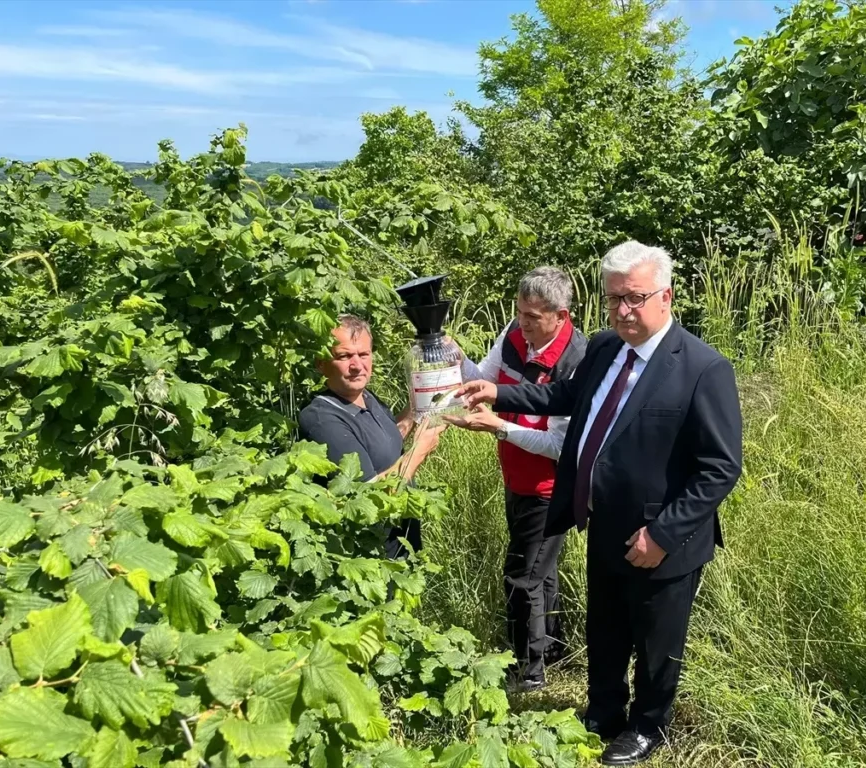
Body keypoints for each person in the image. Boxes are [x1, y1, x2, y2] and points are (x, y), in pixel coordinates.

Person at [457, 242, 742, 766]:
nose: (623, 311)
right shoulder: (607, 348)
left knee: (657, 642)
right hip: (605, 523)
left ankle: (648, 727)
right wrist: (499, 393)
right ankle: (604, 712)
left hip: (664, 539)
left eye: (635, 299)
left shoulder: (703, 368)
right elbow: (565, 398)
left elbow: (720, 467)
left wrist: (661, 533)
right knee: (605, 628)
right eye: (614, 300)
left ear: (666, 296)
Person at [445, 266, 587, 693]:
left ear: (561, 315)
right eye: (520, 312)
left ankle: (527, 668)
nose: (523, 323)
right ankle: (554, 647)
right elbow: (485, 378)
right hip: (515, 474)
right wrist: (453, 356)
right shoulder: (512, 334)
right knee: (540, 571)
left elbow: (562, 446)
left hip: (550, 487)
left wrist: (499, 428)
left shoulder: (575, 361)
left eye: (534, 316)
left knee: (521, 575)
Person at [298, 314, 443, 559]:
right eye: (344, 356)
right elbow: (369, 496)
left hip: (402, 548)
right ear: (321, 362)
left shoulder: (366, 397)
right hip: (371, 559)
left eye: (363, 354)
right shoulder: (322, 419)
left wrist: (418, 408)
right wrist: (419, 450)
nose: (357, 365)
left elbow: (381, 445)